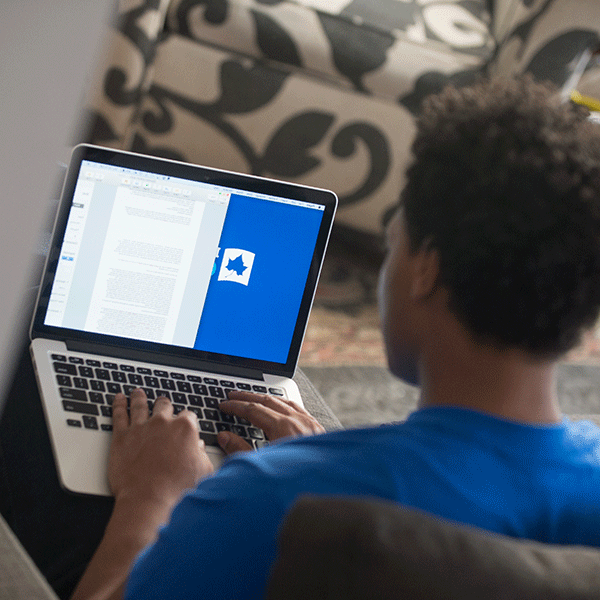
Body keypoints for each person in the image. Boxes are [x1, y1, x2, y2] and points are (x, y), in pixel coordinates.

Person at [21, 75, 600, 599]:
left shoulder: (270, 499)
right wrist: (318, 453)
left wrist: (151, 497)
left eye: (394, 242)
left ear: (427, 269)